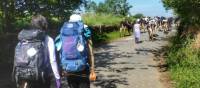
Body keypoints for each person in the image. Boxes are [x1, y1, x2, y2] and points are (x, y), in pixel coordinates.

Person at [13, 15, 61, 88]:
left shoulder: (24, 38)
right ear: (44, 25)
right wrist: (57, 78)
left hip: (22, 74)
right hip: (42, 76)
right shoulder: (48, 39)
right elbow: (53, 60)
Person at [55, 14, 96, 88]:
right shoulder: (84, 29)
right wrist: (92, 69)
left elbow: (59, 51)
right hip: (82, 67)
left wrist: (61, 69)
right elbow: (91, 53)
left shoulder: (64, 31)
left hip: (68, 69)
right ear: (80, 21)